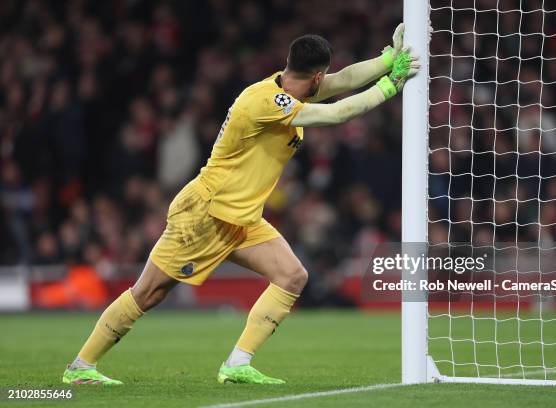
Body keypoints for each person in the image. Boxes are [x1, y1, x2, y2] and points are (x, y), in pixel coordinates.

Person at [62, 23, 419, 385]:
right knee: (149, 293)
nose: (325, 82)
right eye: (323, 77)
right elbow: (336, 113)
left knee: (292, 275)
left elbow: (342, 80)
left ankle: (237, 364)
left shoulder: (289, 86)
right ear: (315, 76)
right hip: (207, 212)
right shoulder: (266, 101)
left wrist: (388, 59)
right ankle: (81, 367)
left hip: (241, 217)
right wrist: (390, 86)